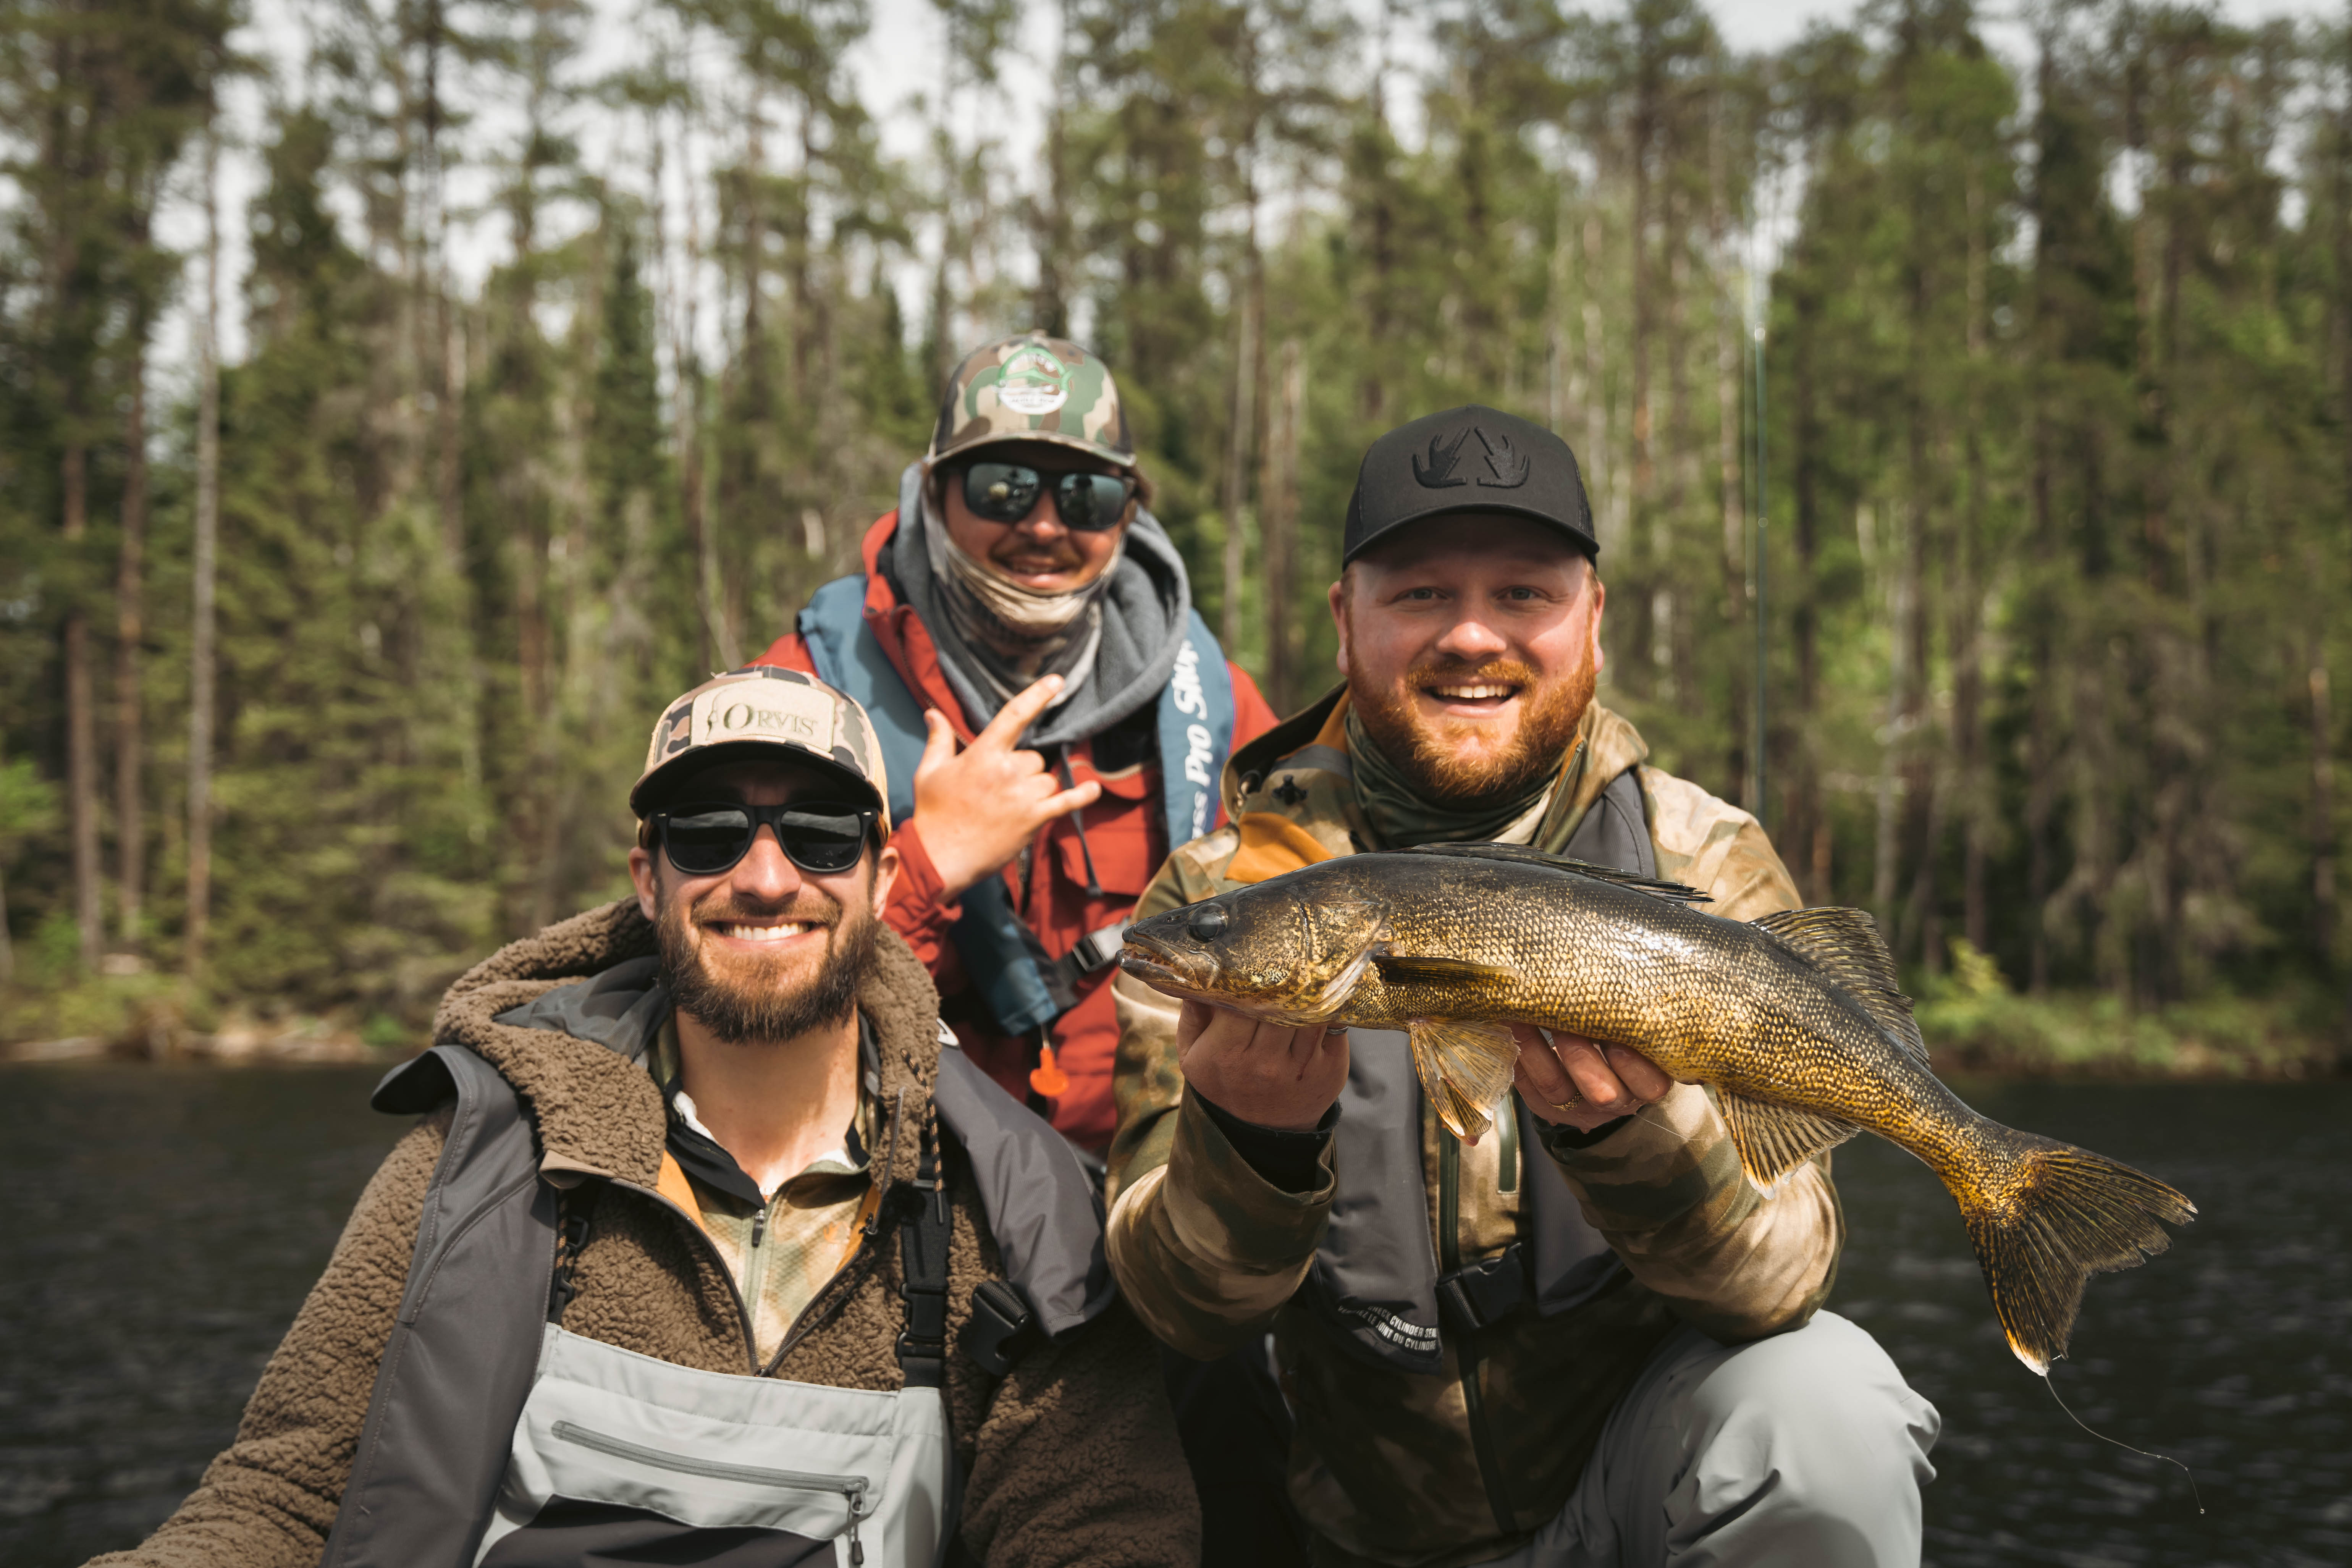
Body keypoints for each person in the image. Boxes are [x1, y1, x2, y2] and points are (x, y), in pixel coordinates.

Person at [90, 665, 1198, 1568]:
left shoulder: (1015, 1207)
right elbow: (285, 1496)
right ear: (647, 878)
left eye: (818, 835)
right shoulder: (478, 1154)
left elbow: (1100, 1529)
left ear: (882, 873)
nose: (765, 877)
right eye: (708, 833)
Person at [1105, 407, 1943, 1568]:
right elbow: (1176, 1309)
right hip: (1346, 1532)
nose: (1470, 635)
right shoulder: (1224, 894)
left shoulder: (1703, 858)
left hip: (1624, 1504)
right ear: (1346, 620)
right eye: (1419, 595)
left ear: (1592, 618)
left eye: (1522, 595)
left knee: (1827, 1405)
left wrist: (1634, 1138)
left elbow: (1781, 1281)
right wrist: (1253, 1146)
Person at [758, 331, 1277, 1158]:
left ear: (1128, 514)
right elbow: (743, 994)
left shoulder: (1217, 709)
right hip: (904, 1179)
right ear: (933, 494)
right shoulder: (806, 695)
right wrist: (930, 861)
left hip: (1151, 1186)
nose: (1042, 525)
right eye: (1002, 489)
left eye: (1085, 496)